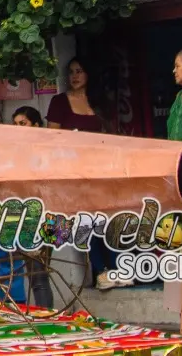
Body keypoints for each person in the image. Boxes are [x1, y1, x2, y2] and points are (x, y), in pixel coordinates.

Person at [45, 59, 126, 288]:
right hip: (74, 171)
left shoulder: (99, 102)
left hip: (101, 170)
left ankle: (117, 269)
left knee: (108, 219)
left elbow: (110, 135)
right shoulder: (59, 102)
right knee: (89, 221)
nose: (74, 76)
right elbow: (52, 139)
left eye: (79, 71)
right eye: (70, 72)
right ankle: (101, 271)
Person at [10, 106, 53, 308]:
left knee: (39, 273)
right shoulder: (17, 153)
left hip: (45, 215)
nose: (18, 128)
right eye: (15, 124)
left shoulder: (44, 152)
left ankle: (46, 315)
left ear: (36, 125)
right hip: (28, 214)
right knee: (36, 273)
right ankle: (45, 314)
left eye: (22, 123)